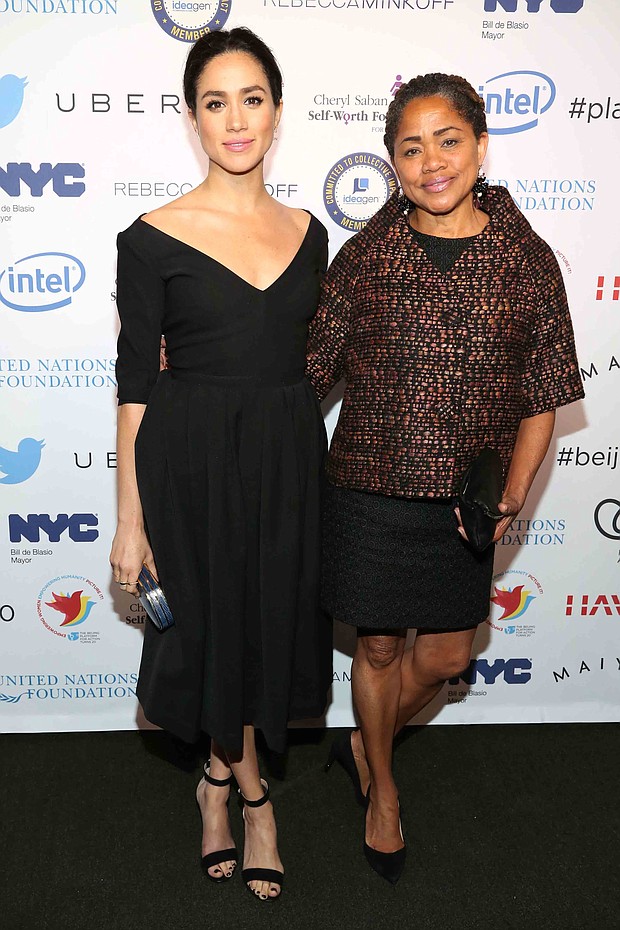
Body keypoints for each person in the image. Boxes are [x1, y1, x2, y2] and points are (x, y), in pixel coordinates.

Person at [307, 73, 584, 884]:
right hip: (367, 487)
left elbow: (545, 395)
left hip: (465, 506)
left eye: (447, 139)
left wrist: (510, 498)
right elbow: (304, 368)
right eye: (411, 147)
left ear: (481, 143)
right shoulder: (368, 258)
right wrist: (204, 357)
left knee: (447, 659)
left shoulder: (527, 259)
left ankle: (366, 740)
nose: (432, 161)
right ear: (393, 162)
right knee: (382, 646)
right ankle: (383, 791)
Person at [110, 27, 332, 902]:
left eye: (252, 99)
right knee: (206, 631)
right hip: (187, 464)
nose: (235, 120)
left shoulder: (312, 234)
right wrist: (130, 518)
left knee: (257, 628)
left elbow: (320, 354)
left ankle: (212, 779)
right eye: (214, 102)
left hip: (284, 462)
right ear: (192, 117)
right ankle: (252, 799)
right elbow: (133, 388)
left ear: (276, 112)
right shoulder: (152, 236)